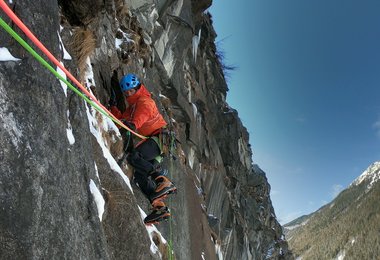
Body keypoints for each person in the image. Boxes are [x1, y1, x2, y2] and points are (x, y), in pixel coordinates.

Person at [110, 73, 177, 224]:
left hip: (159, 138)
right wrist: (113, 106)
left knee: (134, 156)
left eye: (131, 91)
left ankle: (162, 180)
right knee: (140, 176)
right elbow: (122, 119)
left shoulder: (145, 101)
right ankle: (159, 207)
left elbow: (142, 116)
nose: (128, 94)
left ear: (137, 88)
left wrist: (134, 125)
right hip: (157, 143)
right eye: (126, 92)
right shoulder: (132, 107)